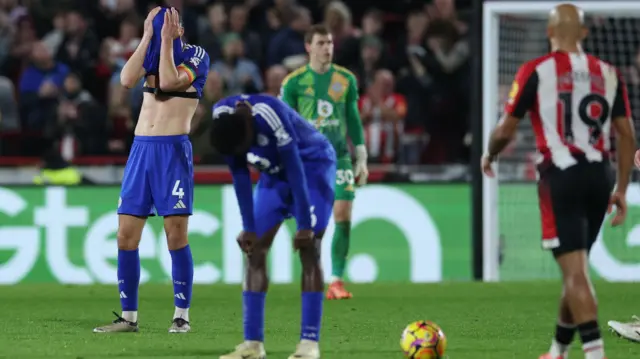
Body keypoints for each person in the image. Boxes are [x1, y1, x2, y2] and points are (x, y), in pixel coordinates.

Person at [481, 4, 635, 359]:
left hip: (561, 177)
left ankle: (595, 354)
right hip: (601, 176)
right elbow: (627, 135)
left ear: (550, 33)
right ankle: (557, 351)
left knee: (577, 274)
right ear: (583, 33)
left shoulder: (536, 70)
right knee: (576, 267)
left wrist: (490, 154)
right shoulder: (608, 73)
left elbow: (506, 129)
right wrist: (622, 189)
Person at [93, 7, 210, 334]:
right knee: (125, 236)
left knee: (175, 235)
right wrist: (146, 37)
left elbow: (172, 81)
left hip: (172, 151)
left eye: (164, 28)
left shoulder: (197, 55)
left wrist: (167, 43)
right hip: (141, 151)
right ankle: (129, 319)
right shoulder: (151, 53)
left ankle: (181, 315)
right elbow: (126, 79)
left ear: (179, 29)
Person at [211, 94, 336, 359]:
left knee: (310, 247)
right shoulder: (222, 120)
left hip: (311, 167)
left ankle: (308, 344)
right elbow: (240, 175)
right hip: (273, 176)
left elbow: (295, 167)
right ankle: (253, 345)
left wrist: (304, 224)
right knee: (255, 251)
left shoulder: (270, 114)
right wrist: (249, 228)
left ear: (248, 130)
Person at [279, 24, 367, 300]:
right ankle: (312, 273)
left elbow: (352, 118)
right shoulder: (294, 83)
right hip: (308, 160)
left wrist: (361, 157)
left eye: (329, 42)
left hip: (339, 157)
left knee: (343, 213)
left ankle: (337, 281)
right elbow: (285, 123)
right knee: (315, 222)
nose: (327, 48)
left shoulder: (345, 80)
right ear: (308, 47)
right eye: (321, 43)